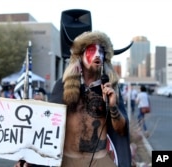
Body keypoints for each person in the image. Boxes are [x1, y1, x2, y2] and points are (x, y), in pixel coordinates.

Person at [15, 31, 131, 167]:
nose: (98, 55)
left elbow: (121, 130)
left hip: (99, 160)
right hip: (67, 159)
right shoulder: (63, 86)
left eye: (102, 51)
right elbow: (47, 127)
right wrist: (30, 159)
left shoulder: (111, 88)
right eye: (92, 50)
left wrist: (113, 107)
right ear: (80, 56)